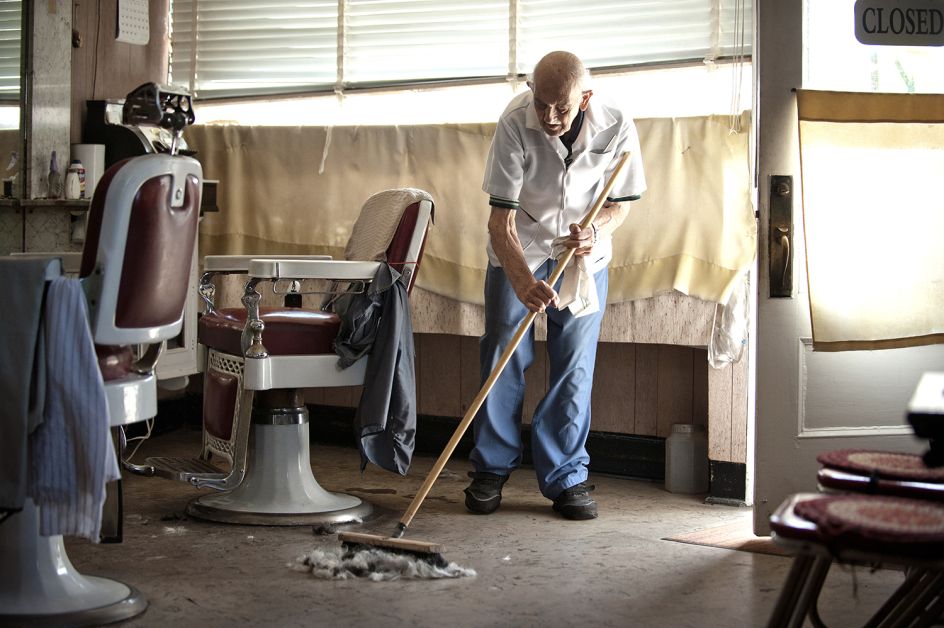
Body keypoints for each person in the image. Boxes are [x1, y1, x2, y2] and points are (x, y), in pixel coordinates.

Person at [465, 51, 646, 520]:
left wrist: (596, 230)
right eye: (540, 102)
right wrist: (524, 281)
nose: (548, 116)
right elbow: (499, 220)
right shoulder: (514, 121)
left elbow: (620, 205)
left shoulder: (618, 124)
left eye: (560, 108)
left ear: (585, 97)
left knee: (574, 364)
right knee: (503, 355)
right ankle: (491, 468)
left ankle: (566, 475)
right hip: (520, 248)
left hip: (583, 254)